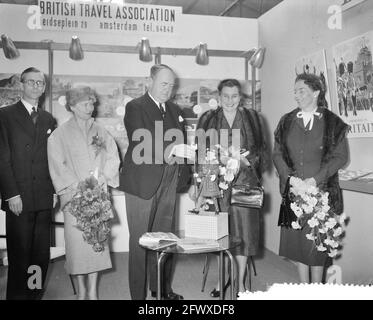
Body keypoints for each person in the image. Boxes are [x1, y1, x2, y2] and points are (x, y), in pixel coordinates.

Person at [119, 64, 194, 300]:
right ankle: (138, 297)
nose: (167, 90)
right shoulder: (135, 107)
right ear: (148, 81)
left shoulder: (175, 109)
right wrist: (172, 149)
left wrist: (188, 176)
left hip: (169, 181)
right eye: (163, 84)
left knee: (164, 240)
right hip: (142, 183)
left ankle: (161, 290)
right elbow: (141, 139)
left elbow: (181, 145)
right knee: (140, 242)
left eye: (171, 86)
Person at [193, 79, 267, 296]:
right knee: (220, 235)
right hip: (215, 184)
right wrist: (198, 185)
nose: (230, 101)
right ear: (219, 96)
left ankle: (239, 282)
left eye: (234, 96)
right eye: (226, 96)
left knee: (244, 235)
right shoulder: (207, 118)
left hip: (245, 182)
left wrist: (244, 160)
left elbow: (260, 150)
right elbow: (200, 152)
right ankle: (221, 279)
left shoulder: (252, 118)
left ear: (240, 97)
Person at [273, 73, 349, 283]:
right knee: (297, 247)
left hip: (321, 194)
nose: (296, 95)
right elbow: (277, 153)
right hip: (293, 192)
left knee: (317, 247)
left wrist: (316, 179)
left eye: (302, 91)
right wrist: (290, 179)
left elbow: (340, 157)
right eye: (295, 91)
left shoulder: (333, 122)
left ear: (316, 92)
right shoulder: (286, 121)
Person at [47, 87, 120, 299]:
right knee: (78, 248)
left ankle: (93, 291)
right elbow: (57, 164)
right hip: (75, 199)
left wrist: (104, 177)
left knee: (98, 243)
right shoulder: (59, 135)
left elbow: (113, 157)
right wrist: (77, 187)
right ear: (71, 106)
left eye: (91, 103)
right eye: (84, 104)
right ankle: (81, 292)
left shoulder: (101, 131)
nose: (90, 108)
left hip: (98, 197)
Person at [0, 67, 56, 300]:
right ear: (21, 85)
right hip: (19, 197)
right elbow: (2, 157)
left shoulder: (48, 119)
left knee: (40, 255)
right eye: (31, 82)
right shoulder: (5, 115)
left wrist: (53, 192)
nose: (36, 86)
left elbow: (52, 159)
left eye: (40, 83)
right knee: (20, 255)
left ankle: (34, 296)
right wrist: (11, 194)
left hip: (43, 197)